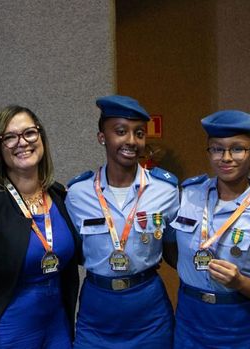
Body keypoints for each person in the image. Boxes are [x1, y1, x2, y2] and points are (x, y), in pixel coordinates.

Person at [65, 95, 179, 348]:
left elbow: (173, 249)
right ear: (102, 137)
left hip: (148, 310)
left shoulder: (165, 190)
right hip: (97, 310)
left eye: (138, 133)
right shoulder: (77, 193)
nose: (130, 141)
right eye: (120, 131)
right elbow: (75, 252)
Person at [167, 110, 250, 348]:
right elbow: (169, 245)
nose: (226, 157)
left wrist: (240, 283)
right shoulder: (188, 195)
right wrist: (190, 268)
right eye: (217, 148)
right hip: (190, 318)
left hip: (239, 321)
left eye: (237, 149)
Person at [0, 105, 81, 348]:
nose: (22, 142)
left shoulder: (59, 195)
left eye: (29, 133)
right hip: (8, 327)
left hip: (57, 325)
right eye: (9, 137)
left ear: (40, 137)